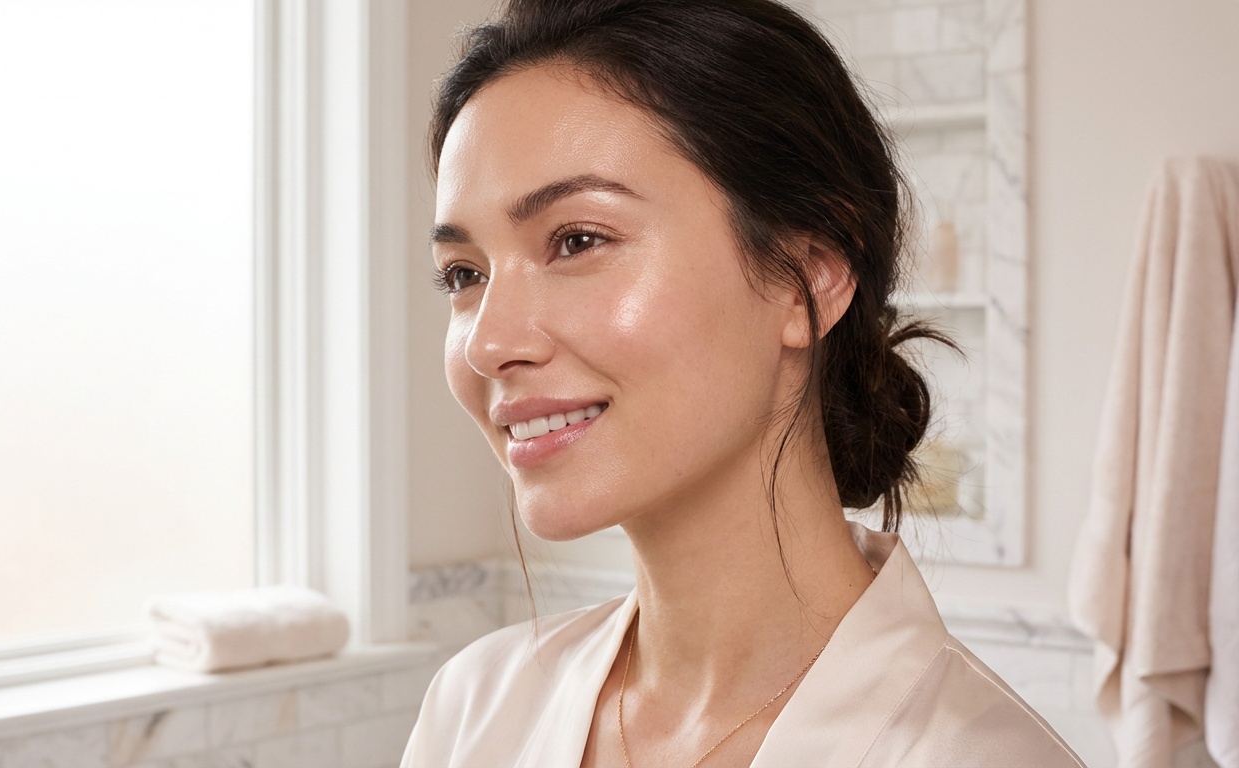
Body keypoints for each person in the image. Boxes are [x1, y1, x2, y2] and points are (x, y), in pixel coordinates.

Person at [402, 0, 1084, 765]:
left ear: (808, 280)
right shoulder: (473, 709)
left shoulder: (979, 755)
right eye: (464, 274)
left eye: (578, 240)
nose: (491, 342)